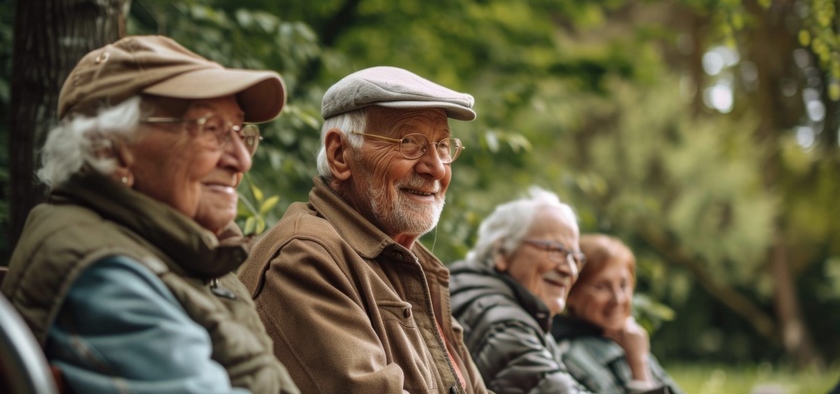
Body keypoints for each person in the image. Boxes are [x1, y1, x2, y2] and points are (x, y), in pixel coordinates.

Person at [1, 35, 299, 394]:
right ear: (110, 148)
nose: (242, 159)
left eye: (240, 132)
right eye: (210, 130)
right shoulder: (105, 274)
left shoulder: (188, 254)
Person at [237, 66, 489, 394]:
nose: (436, 168)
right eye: (409, 142)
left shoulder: (413, 266)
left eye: (442, 146)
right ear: (340, 155)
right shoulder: (304, 256)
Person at [448, 187, 591, 393]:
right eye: (556, 250)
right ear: (502, 253)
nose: (569, 269)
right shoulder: (501, 321)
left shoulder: (479, 297)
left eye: (575, 258)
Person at [551, 234, 683, 394]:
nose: (618, 299)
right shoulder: (567, 357)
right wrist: (639, 369)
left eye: (624, 285)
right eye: (601, 287)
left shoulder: (628, 343)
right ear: (570, 293)